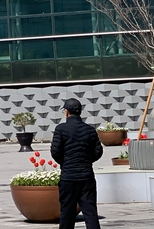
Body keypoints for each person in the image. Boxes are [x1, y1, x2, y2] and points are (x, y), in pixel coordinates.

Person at [50, 98, 103, 229]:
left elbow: (55, 151)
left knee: (67, 213)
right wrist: (86, 161)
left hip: (68, 177)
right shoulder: (90, 130)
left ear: (67, 112)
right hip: (87, 177)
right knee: (90, 212)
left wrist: (66, 162)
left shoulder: (61, 129)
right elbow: (98, 151)